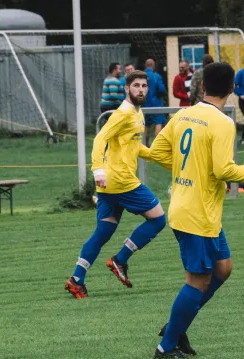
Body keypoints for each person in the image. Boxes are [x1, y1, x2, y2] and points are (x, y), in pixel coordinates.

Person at [147, 62, 244, 359]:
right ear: (232, 89)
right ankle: (166, 347)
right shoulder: (223, 123)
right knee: (198, 280)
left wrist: (188, 168)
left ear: (203, 87)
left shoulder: (184, 115)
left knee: (223, 269)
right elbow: (223, 169)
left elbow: (157, 151)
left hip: (193, 209)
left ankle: (178, 324)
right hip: (196, 214)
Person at [64, 70, 168, 299]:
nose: (140, 89)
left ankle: (76, 280)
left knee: (103, 232)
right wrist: (97, 169)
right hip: (122, 181)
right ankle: (120, 259)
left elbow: (134, 147)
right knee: (159, 219)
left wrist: (160, 158)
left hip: (109, 186)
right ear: (127, 89)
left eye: (144, 86)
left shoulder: (137, 114)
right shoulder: (123, 113)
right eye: (136, 86)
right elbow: (100, 138)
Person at [144, 58, 167, 145]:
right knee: (158, 123)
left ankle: (145, 145)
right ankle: (157, 145)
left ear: (146, 66)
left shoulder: (141, 76)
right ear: (153, 66)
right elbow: (162, 89)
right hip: (156, 104)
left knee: (146, 125)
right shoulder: (156, 76)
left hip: (144, 105)